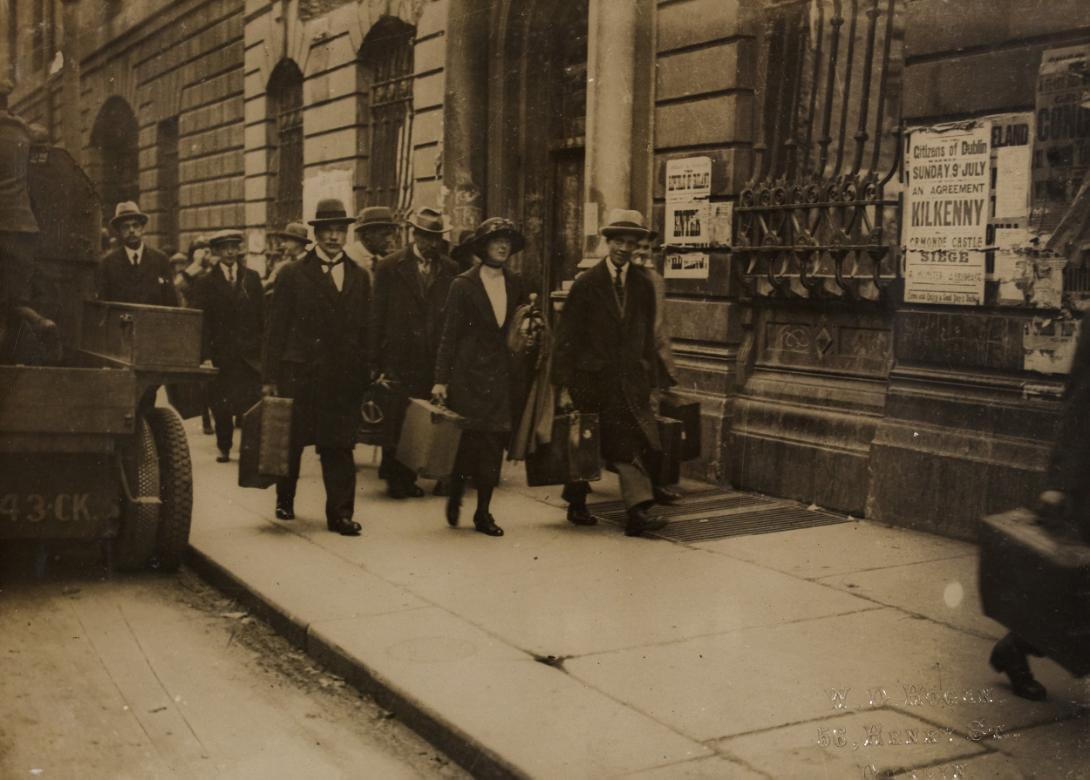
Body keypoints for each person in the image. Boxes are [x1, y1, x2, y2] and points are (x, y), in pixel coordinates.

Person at [552, 209, 669, 538]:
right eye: (618, 241)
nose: (624, 248)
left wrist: (650, 378)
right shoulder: (587, 284)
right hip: (588, 379)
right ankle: (576, 502)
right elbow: (566, 338)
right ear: (607, 243)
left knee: (627, 443)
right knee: (583, 442)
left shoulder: (642, 285)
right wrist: (562, 385)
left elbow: (647, 337)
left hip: (626, 381)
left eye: (631, 243)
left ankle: (637, 513)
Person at [263, 199, 372, 536]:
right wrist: (269, 377)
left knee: (339, 446)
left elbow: (367, 330)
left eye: (340, 231)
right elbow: (276, 328)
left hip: (343, 379)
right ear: (316, 233)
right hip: (302, 374)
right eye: (327, 231)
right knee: (293, 441)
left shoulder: (359, 276)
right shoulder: (294, 274)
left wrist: (366, 372)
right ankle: (285, 497)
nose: (334, 238)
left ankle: (340, 515)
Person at [432, 218, 533, 537]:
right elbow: (449, 336)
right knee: (467, 444)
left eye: (507, 241)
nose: (503, 246)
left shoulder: (516, 283)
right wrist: (440, 380)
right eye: (496, 240)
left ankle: (483, 512)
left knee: (492, 445)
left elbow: (519, 324)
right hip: (468, 375)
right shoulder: (463, 284)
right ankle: (456, 494)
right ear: (483, 247)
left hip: (501, 376)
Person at [371, 207, 457, 499]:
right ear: (414, 235)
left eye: (436, 238)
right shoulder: (390, 267)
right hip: (399, 356)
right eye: (426, 237)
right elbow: (376, 317)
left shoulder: (450, 269)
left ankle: (426, 470)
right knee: (398, 419)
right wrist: (378, 362)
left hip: (434, 356)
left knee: (428, 417)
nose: (432, 244)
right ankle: (399, 480)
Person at [189, 230, 263, 463]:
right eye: (225, 248)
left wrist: (262, 349)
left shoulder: (251, 278)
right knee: (222, 405)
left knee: (250, 403)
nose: (230, 252)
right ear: (217, 252)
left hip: (249, 355)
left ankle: (250, 449)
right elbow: (202, 322)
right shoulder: (206, 282)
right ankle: (224, 447)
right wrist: (205, 355)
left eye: (234, 247)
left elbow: (262, 316)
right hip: (222, 354)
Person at [0, 95, 51, 362]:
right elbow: (41, 133)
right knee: (14, 299)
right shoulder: (20, 130)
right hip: (22, 227)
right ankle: (35, 317)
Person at [632, 230, 682, 505]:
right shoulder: (611, 279)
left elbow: (660, 328)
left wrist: (667, 368)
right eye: (636, 246)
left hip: (647, 365)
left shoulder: (656, 281)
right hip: (617, 368)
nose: (641, 251)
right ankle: (576, 490)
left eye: (646, 247)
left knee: (650, 424)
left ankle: (653, 486)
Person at [97, 201, 179, 307]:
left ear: (143, 228)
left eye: (135, 225)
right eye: (125, 227)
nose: (131, 230)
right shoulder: (108, 263)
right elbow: (104, 305)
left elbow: (171, 303)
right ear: (119, 231)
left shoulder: (160, 260)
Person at [352, 206, 399, 278]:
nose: (389, 240)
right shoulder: (349, 259)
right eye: (384, 235)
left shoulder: (381, 260)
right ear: (367, 235)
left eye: (390, 235)